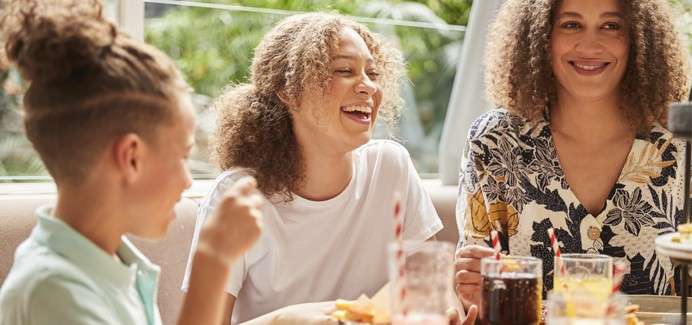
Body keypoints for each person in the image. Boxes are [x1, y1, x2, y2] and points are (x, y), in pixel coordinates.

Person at [181, 12, 474, 325]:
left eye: (373, 74)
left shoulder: (390, 168)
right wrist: (282, 320)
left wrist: (449, 310)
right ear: (288, 90)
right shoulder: (238, 196)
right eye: (344, 70)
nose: (368, 88)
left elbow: (430, 295)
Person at [0, 1, 263, 324]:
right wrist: (214, 261)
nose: (187, 181)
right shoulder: (51, 292)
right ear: (131, 158)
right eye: (182, 157)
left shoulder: (113, 266)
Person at [455, 0, 690, 312]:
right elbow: (475, 288)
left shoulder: (679, 144)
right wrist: (472, 290)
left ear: (638, 37)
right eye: (571, 24)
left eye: (611, 25)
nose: (590, 44)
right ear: (541, 37)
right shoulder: (495, 143)